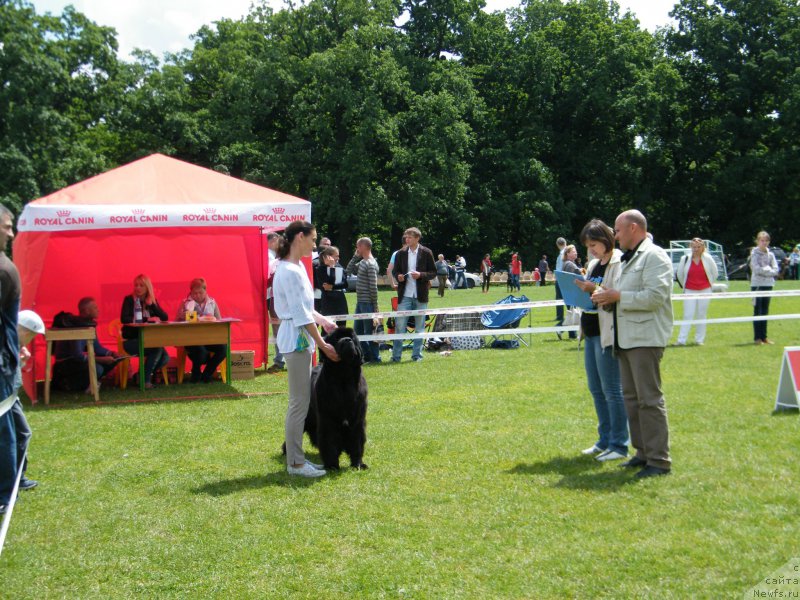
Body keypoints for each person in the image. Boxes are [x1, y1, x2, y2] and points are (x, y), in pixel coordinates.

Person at [593, 209, 673, 478]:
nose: (614, 235)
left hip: (645, 339)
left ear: (634, 228)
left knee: (649, 400)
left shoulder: (655, 256)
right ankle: (642, 453)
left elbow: (654, 297)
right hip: (625, 339)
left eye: (617, 229)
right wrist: (606, 298)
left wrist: (617, 296)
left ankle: (659, 461)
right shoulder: (629, 258)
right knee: (632, 399)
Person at [273, 220, 339, 478]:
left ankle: (297, 460)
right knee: (299, 403)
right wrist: (322, 343)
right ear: (299, 237)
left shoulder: (295, 267)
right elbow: (299, 313)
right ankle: (296, 463)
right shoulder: (289, 270)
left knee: (302, 400)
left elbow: (304, 307)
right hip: (296, 339)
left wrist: (323, 321)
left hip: (301, 339)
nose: (314, 245)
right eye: (312, 240)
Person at [573, 221, 628, 462]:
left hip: (608, 333)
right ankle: (604, 440)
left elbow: (615, 294)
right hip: (591, 331)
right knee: (596, 389)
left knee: (612, 390)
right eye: (588, 246)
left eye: (593, 245)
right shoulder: (594, 264)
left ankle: (619, 444)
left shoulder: (619, 262)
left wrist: (591, 287)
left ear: (606, 241)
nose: (591, 250)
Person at [54, 297, 123, 391]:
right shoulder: (77, 326)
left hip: (76, 361)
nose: (98, 309)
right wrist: (102, 360)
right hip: (65, 364)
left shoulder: (89, 324)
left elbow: (97, 348)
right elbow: (77, 356)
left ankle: (87, 382)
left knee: (113, 361)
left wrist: (112, 354)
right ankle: (69, 384)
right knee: (98, 369)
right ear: (86, 311)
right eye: (95, 307)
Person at [0, 205, 21, 514]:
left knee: (4, 426)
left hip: (2, 359)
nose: (11, 233)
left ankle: (6, 491)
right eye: (6, 226)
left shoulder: (4, 269)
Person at [391, 227, 436, 362]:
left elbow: (433, 272)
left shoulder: (427, 253)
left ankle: (417, 355)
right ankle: (396, 356)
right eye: (406, 237)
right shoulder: (400, 253)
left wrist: (421, 275)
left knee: (419, 327)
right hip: (404, 295)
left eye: (410, 237)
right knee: (399, 326)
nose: (407, 239)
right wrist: (398, 276)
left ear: (417, 238)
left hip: (420, 295)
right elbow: (395, 271)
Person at [12, 311, 45, 492]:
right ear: (25, 332)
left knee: (21, 434)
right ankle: (15, 478)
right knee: (21, 434)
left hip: (11, 397)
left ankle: (18, 477)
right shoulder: (8, 342)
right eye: (32, 335)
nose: (32, 340)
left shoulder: (12, 342)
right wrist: (20, 359)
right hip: (6, 399)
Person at [120, 274, 169, 389]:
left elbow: (165, 317)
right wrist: (147, 319)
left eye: (141, 285)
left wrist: (152, 305)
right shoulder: (129, 300)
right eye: (136, 285)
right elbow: (124, 319)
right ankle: (146, 381)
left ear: (147, 287)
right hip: (131, 341)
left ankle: (140, 376)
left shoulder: (151, 301)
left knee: (165, 358)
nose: (138, 288)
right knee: (157, 348)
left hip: (149, 340)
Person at [176, 278, 227, 383]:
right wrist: (182, 316)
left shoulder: (212, 302)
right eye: (195, 293)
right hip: (191, 338)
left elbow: (219, 320)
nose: (197, 295)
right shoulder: (185, 303)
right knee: (201, 352)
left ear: (205, 291)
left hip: (210, 337)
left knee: (223, 349)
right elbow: (176, 321)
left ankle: (207, 374)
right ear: (190, 292)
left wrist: (212, 320)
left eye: (200, 292)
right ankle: (196, 372)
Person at [675, 238, 719, 346]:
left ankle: (699, 340)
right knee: (688, 315)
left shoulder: (708, 258)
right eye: (694, 247)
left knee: (701, 314)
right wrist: (685, 286)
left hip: (705, 290)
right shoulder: (684, 258)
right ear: (690, 247)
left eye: (698, 247)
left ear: (703, 247)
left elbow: (715, 273)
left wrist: (709, 284)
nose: (696, 249)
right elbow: (680, 275)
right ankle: (681, 340)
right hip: (689, 290)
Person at [346, 238, 382, 363]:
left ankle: (375, 358)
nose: (356, 249)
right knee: (358, 332)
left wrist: (375, 305)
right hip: (360, 302)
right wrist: (355, 257)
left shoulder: (370, 264)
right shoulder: (362, 262)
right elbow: (348, 271)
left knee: (370, 332)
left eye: (358, 247)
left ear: (363, 247)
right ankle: (367, 356)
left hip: (368, 303)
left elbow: (373, 286)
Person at [749, 231, 780, 345]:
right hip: (757, 285)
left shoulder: (771, 254)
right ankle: (757, 338)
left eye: (766, 240)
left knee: (765, 311)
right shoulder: (754, 254)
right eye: (762, 240)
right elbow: (756, 269)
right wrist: (768, 271)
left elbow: (776, 270)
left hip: (768, 285)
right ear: (758, 241)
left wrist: (767, 271)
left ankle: (764, 337)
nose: (764, 242)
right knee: (758, 311)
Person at [315, 246, 348, 327]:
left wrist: (332, 287)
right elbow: (325, 286)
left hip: (340, 300)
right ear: (328, 256)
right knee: (328, 328)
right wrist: (332, 268)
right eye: (336, 256)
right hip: (328, 302)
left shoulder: (340, 267)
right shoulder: (320, 269)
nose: (338, 258)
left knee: (342, 327)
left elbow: (345, 284)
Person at [266, 232, 285, 373]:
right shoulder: (274, 263)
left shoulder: (292, 263)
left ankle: (282, 360)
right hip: (276, 302)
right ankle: (279, 360)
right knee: (278, 332)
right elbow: (267, 283)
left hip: (285, 303)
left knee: (284, 331)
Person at [559, 245, 582, 340]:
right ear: (567, 253)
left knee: (572, 313)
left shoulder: (568, 263)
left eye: (576, 251)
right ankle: (564, 331)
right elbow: (572, 279)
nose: (575, 253)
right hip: (572, 293)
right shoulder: (569, 264)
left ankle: (564, 331)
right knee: (573, 313)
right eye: (573, 251)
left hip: (570, 293)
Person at [554, 237, 567, 328]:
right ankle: (560, 316)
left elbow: (561, 268)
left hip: (560, 279)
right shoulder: (564, 253)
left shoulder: (562, 254)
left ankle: (560, 317)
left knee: (560, 298)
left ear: (558, 245)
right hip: (562, 278)